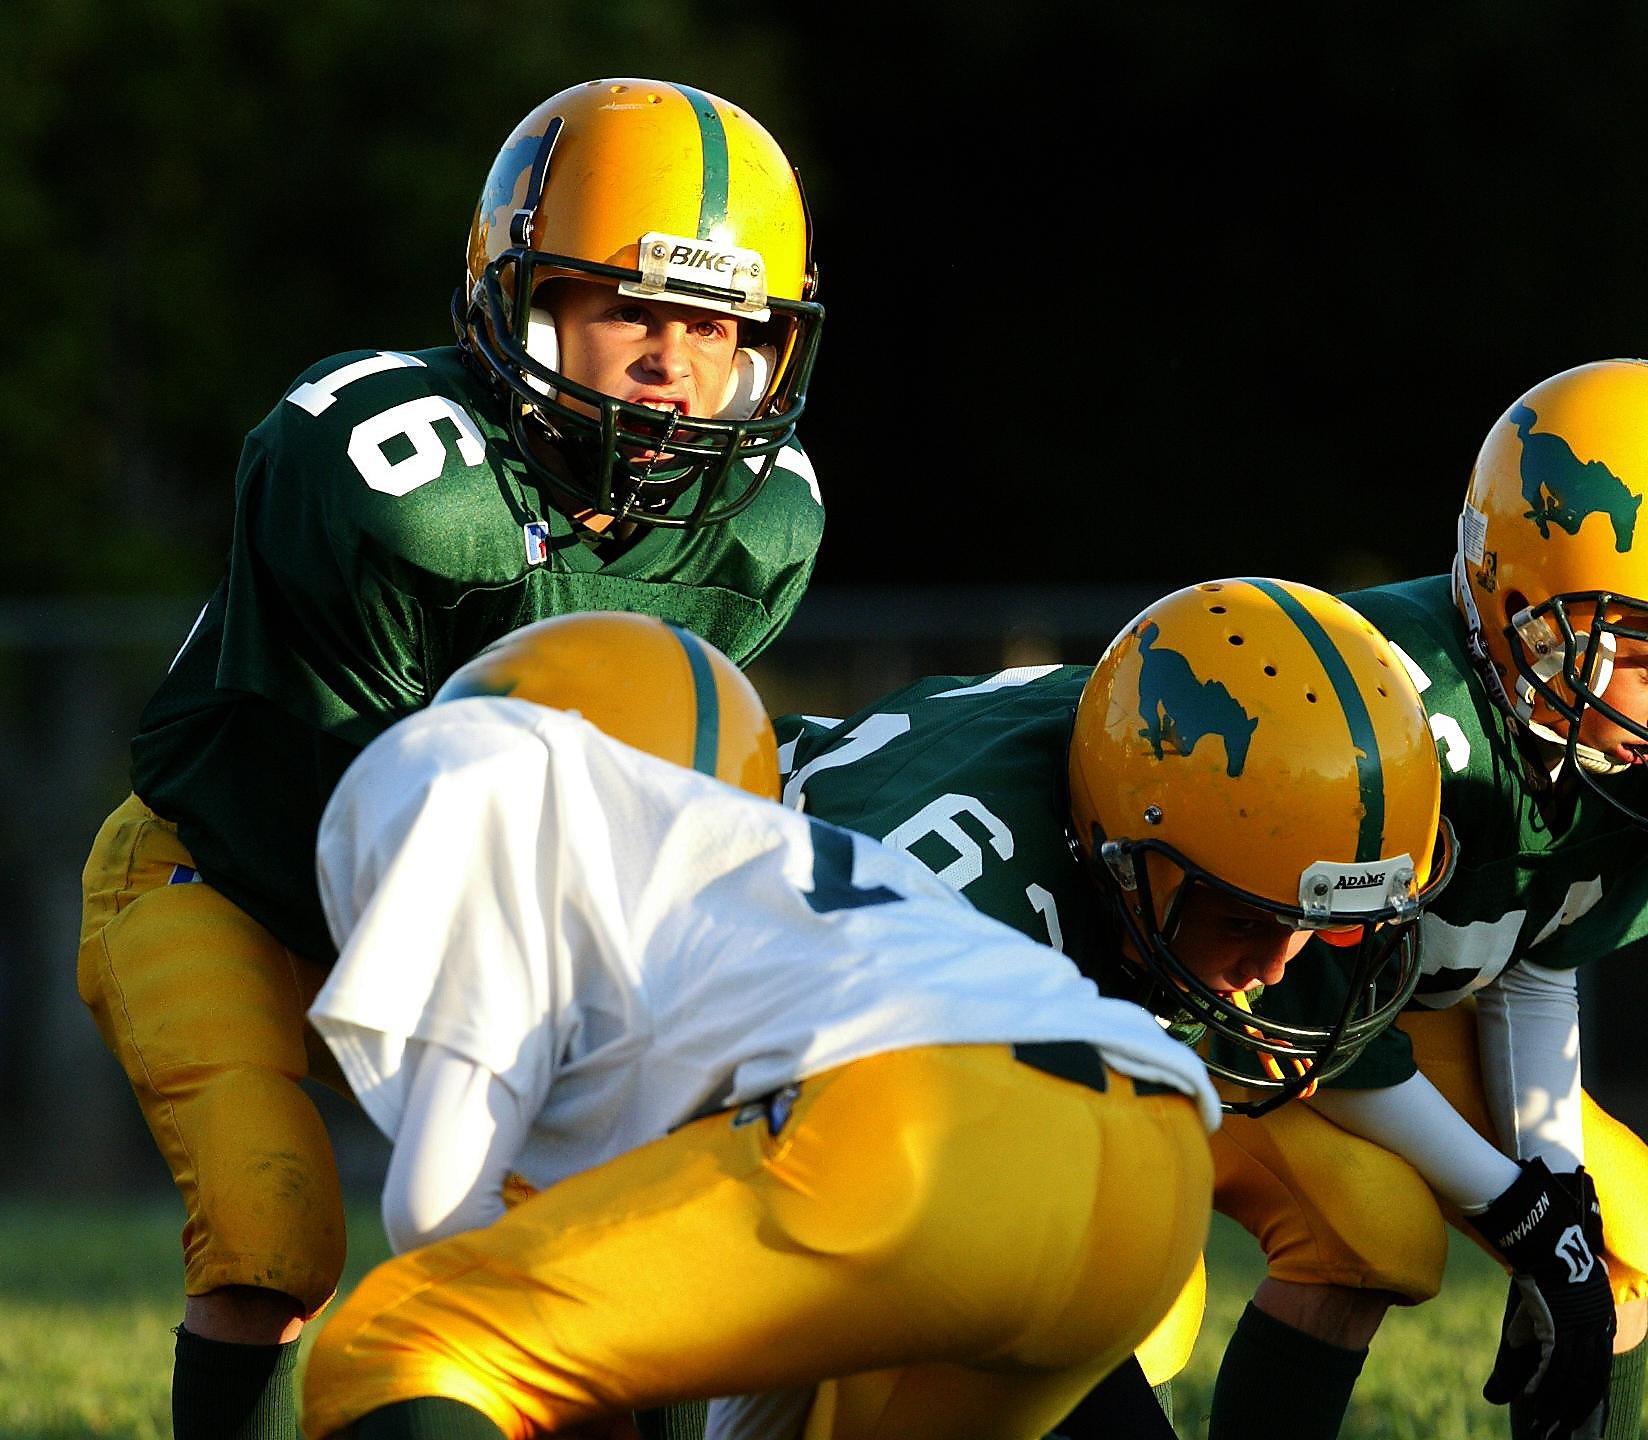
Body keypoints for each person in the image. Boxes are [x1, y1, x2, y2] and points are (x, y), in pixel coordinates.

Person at [76, 77, 826, 1440]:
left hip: (491, 921)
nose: (678, 363)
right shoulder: (394, 482)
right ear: (522, 302)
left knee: (611, 1242)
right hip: (235, 876)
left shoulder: (762, 524)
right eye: (632, 311)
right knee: (269, 1241)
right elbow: (386, 797)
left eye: (719, 326)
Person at [295, 611, 1221, 1440]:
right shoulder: (772, 893)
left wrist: (554, 1378)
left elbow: (434, 1213)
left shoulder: (476, 764)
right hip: (1153, 1162)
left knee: (395, 1343)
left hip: (914, 1127)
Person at [777, 576, 1620, 1440]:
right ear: (1118, 848)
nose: (1274, 968)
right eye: (1246, 919)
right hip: (765, 1057)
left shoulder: (1166, 807)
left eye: (1308, 930)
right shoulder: (968, 919)